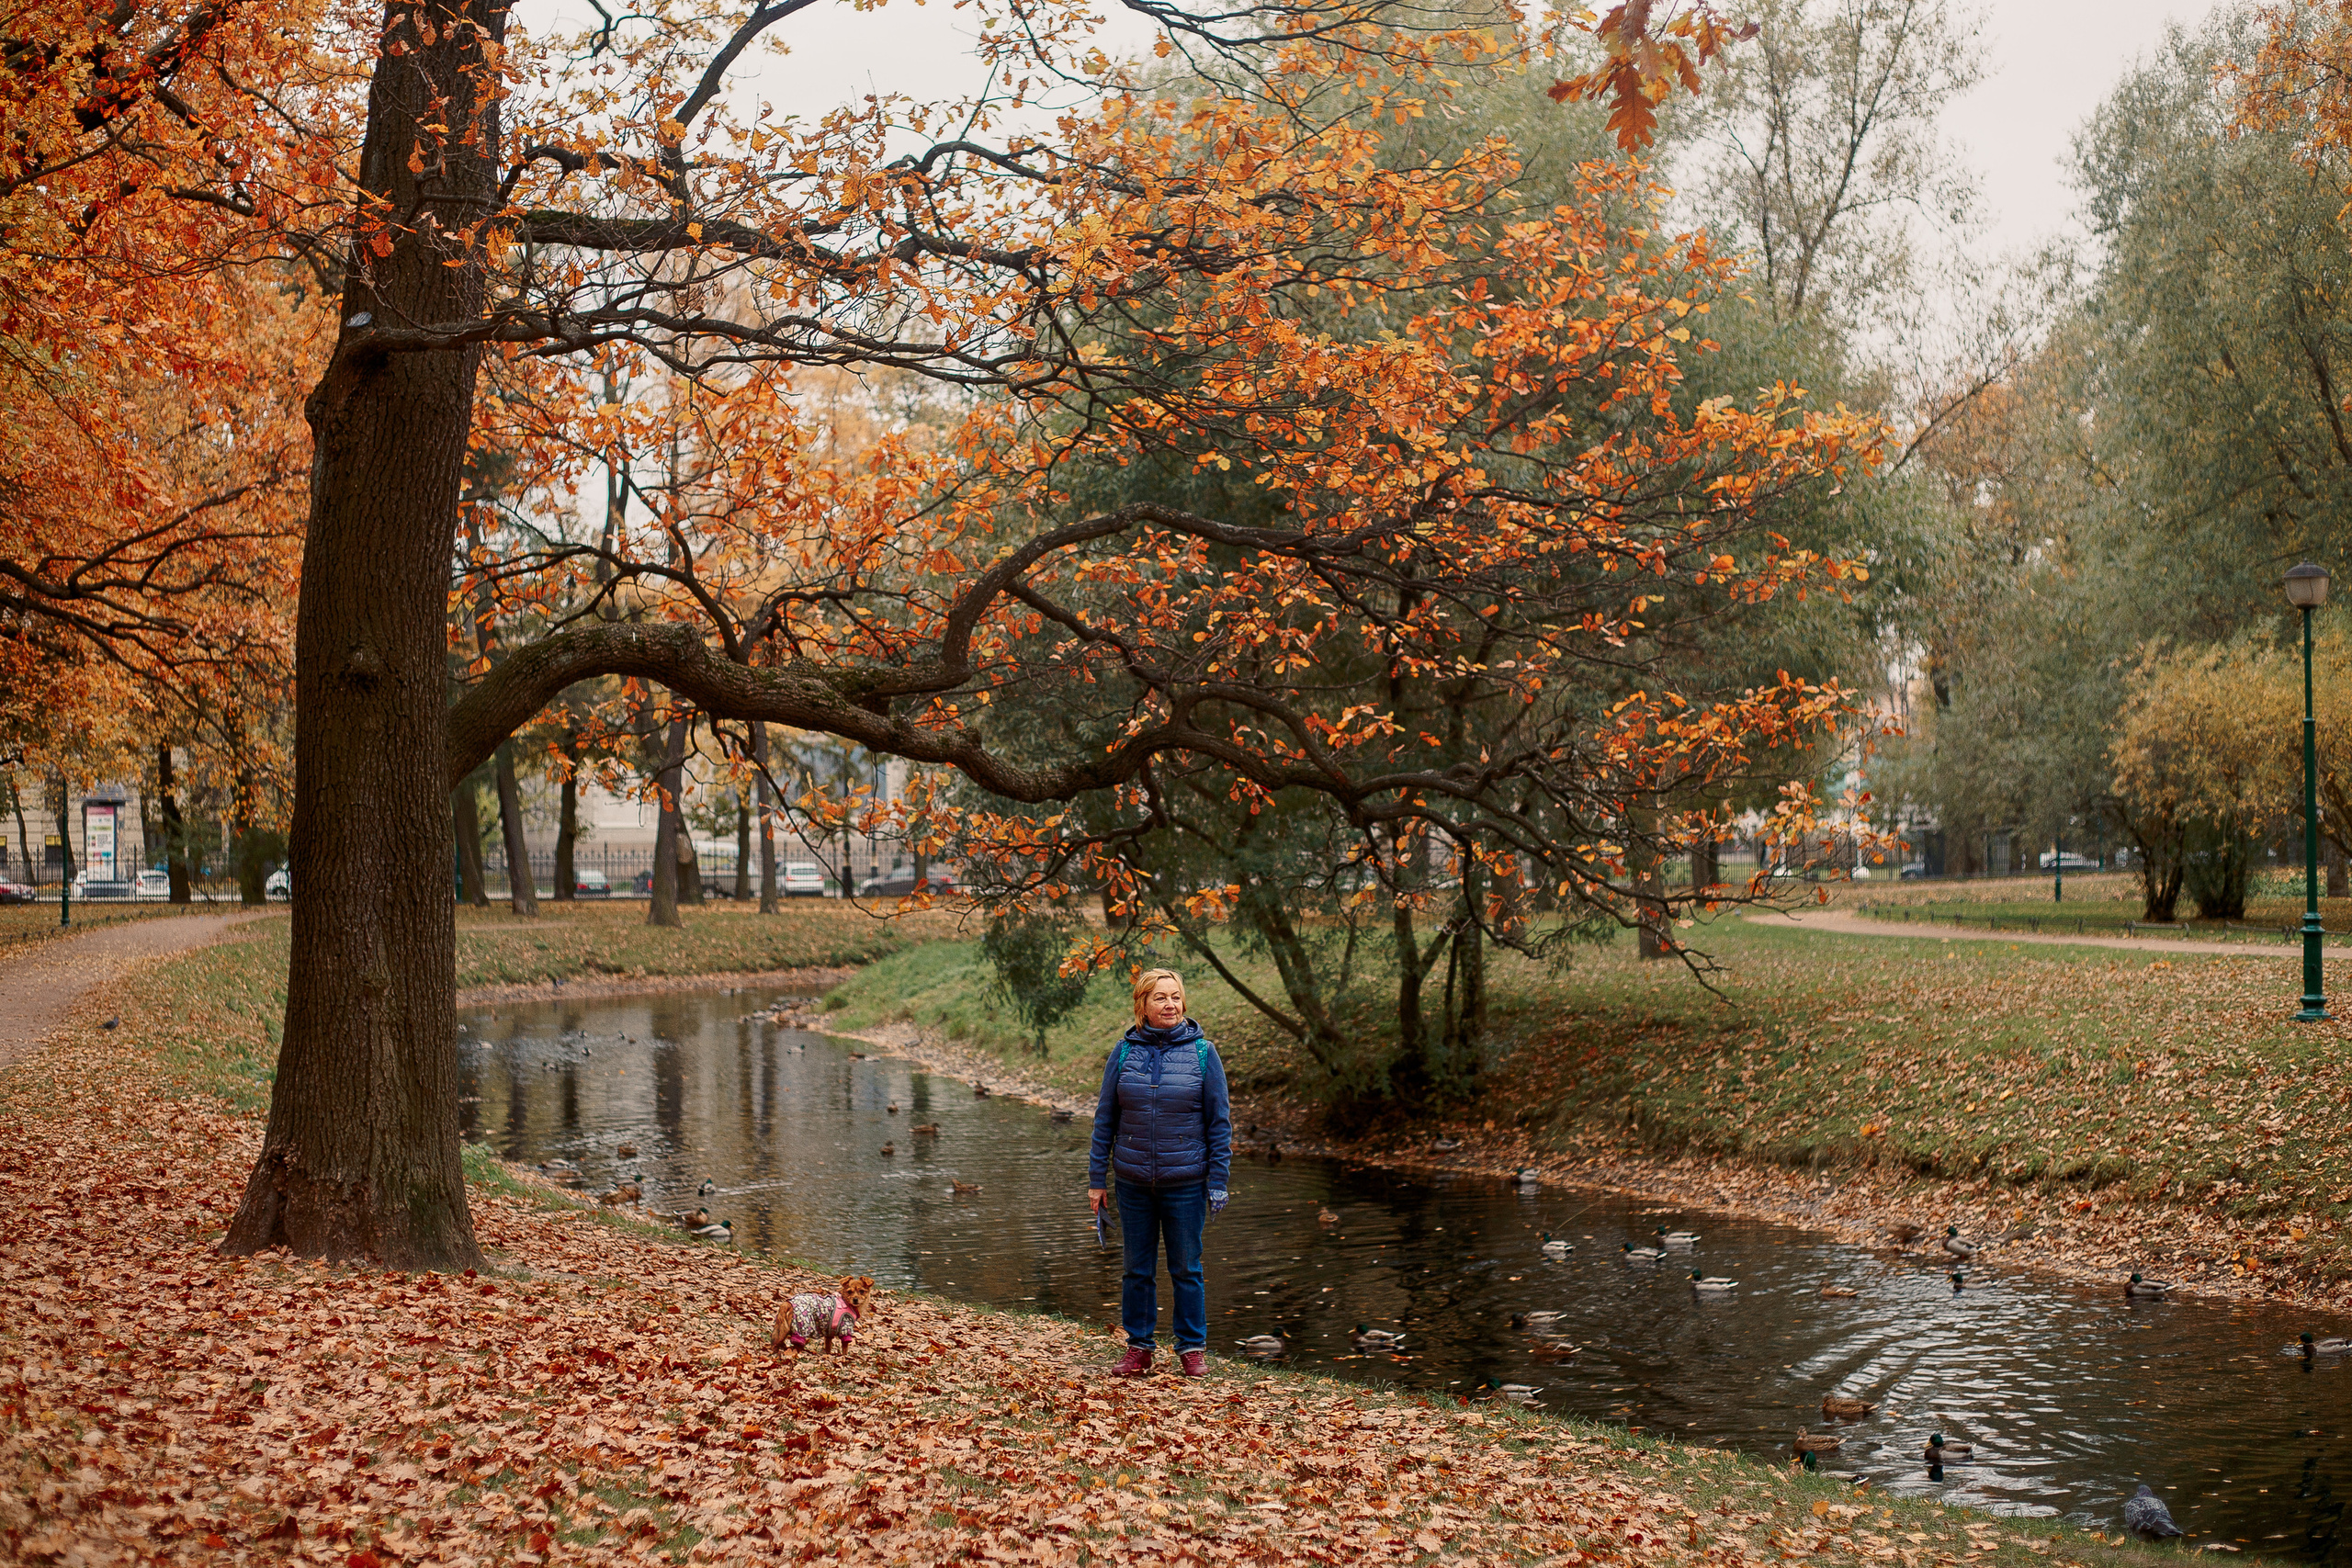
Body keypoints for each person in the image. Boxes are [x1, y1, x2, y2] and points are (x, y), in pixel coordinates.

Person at [1088, 968, 1232, 1378]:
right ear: (1143, 1006)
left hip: (1186, 1182)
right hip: (1132, 1182)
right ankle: (1139, 1348)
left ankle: (1191, 1349)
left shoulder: (1204, 1053)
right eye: (1159, 998)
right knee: (1137, 1269)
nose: (1169, 1005)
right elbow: (1105, 1120)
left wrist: (1218, 1181)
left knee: (1186, 1268)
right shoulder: (1124, 1052)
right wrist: (1097, 1180)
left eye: (1175, 997)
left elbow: (1219, 1123)